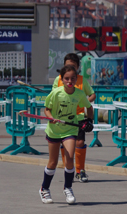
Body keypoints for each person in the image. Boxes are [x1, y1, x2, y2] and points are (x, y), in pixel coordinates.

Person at [40, 65, 94, 204]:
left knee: (69, 158)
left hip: (70, 130)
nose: (70, 81)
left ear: (76, 79)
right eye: (67, 78)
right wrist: (51, 117)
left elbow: (89, 107)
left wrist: (89, 121)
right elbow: (47, 110)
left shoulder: (80, 94)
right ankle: (44, 189)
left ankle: (68, 187)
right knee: (52, 162)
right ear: (61, 79)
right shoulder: (56, 93)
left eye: (73, 78)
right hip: (54, 130)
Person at [53, 53, 96, 182]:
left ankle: (80, 170)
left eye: (72, 66)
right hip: (63, 117)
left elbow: (92, 95)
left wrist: (85, 102)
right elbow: (53, 97)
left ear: (77, 67)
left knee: (79, 142)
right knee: (65, 144)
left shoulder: (82, 80)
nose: (70, 68)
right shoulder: (59, 79)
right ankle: (69, 170)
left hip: (79, 117)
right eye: (67, 66)